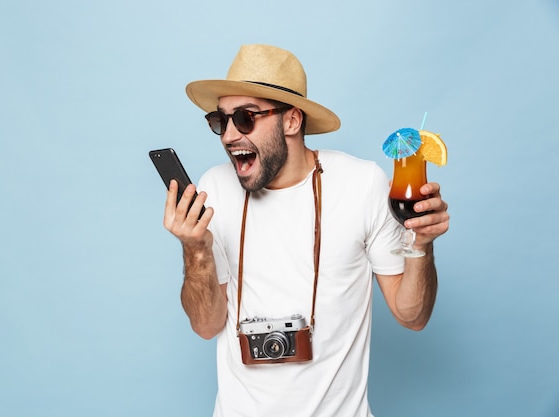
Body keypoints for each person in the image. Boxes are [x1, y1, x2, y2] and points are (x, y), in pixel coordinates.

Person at [162, 44, 449, 417]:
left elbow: (413, 316)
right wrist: (195, 248)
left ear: (292, 121)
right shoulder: (214, 188)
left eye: (246, 118)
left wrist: (422, 245)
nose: (229, 135)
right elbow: (206, 325)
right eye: (221, 121)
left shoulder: (361, 184)